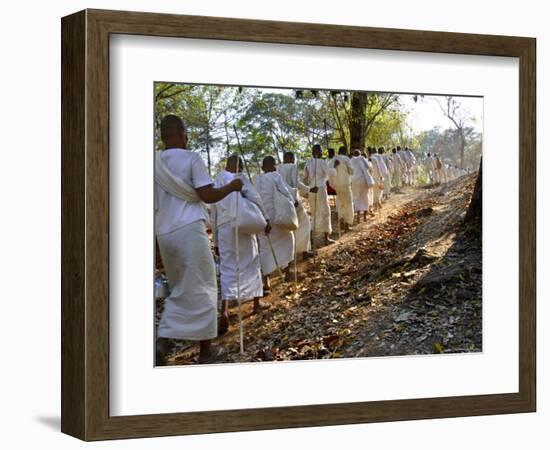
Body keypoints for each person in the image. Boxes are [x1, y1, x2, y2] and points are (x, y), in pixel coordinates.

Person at [155, 115, 243, 365]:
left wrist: (155, 246)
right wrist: (232, 186)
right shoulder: (191, 158)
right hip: (189, 230)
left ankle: (162, 341)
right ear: (182, 132)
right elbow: (207, 194)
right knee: (204, 287)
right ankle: (205, 352)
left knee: (179, 288)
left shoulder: (153, 163)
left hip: (164, 233)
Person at [212, 155, 266, 336]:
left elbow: (214, 214)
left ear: (227, 165)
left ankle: (224, 312)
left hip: (225, 229)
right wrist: (264, 219)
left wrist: (216, 240)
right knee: (251, 262)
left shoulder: (216, 182)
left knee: (227, 268)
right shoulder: (240, 180)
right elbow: (256, 199)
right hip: (243, 226)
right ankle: (257, 303)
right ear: (240, 167)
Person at [254, 156, 296, 287]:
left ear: (262, 168)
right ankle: (287, 271)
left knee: (265, 248)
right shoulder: (275, 176)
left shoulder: (256, 179)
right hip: (276, 217)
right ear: (273, 166)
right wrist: (294, 202)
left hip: (261, 218)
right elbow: (285, 192)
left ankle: (266, 280)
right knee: (289, 238)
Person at [277, 151, 316, 260]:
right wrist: (309, 190)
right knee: (305, 223)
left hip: (283, 202)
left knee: (290, 227)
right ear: (290, 158)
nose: (294, 160)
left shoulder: (279, 169)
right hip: (293, 200)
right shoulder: (292, 167)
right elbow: (295, 184)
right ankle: (304, 251)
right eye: (293, 158)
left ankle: (292, 253)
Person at [304, 144, 336, 245]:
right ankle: (326, 238)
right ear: (317, 152)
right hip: (320, 189)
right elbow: (330, 172)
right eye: (321, 151)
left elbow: (305, 177)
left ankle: (311, 238)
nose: (322, 152)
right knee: (325, 212)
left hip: (311, 190)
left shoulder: (308, 162)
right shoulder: (322, 162)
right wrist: (334, 167)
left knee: (314, 213)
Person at [331, 146, 355, 232]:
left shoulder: (333, 158)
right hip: (345, 184)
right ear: (345, 151)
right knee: (348, 204)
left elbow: (330, 171)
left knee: (340, 203)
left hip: (337, 185)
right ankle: (347, 225)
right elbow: (352, 171)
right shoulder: (346, 159)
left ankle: (341, 219)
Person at [350, 149, 374, 223]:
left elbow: (350, 171)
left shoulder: (351, 160)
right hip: (363, 180)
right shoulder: (362, 158)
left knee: (356, 197)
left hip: (354, 181)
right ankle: (364, 217)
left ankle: (357, 219)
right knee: (364, 197)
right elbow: (368, 167)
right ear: (360, 154)